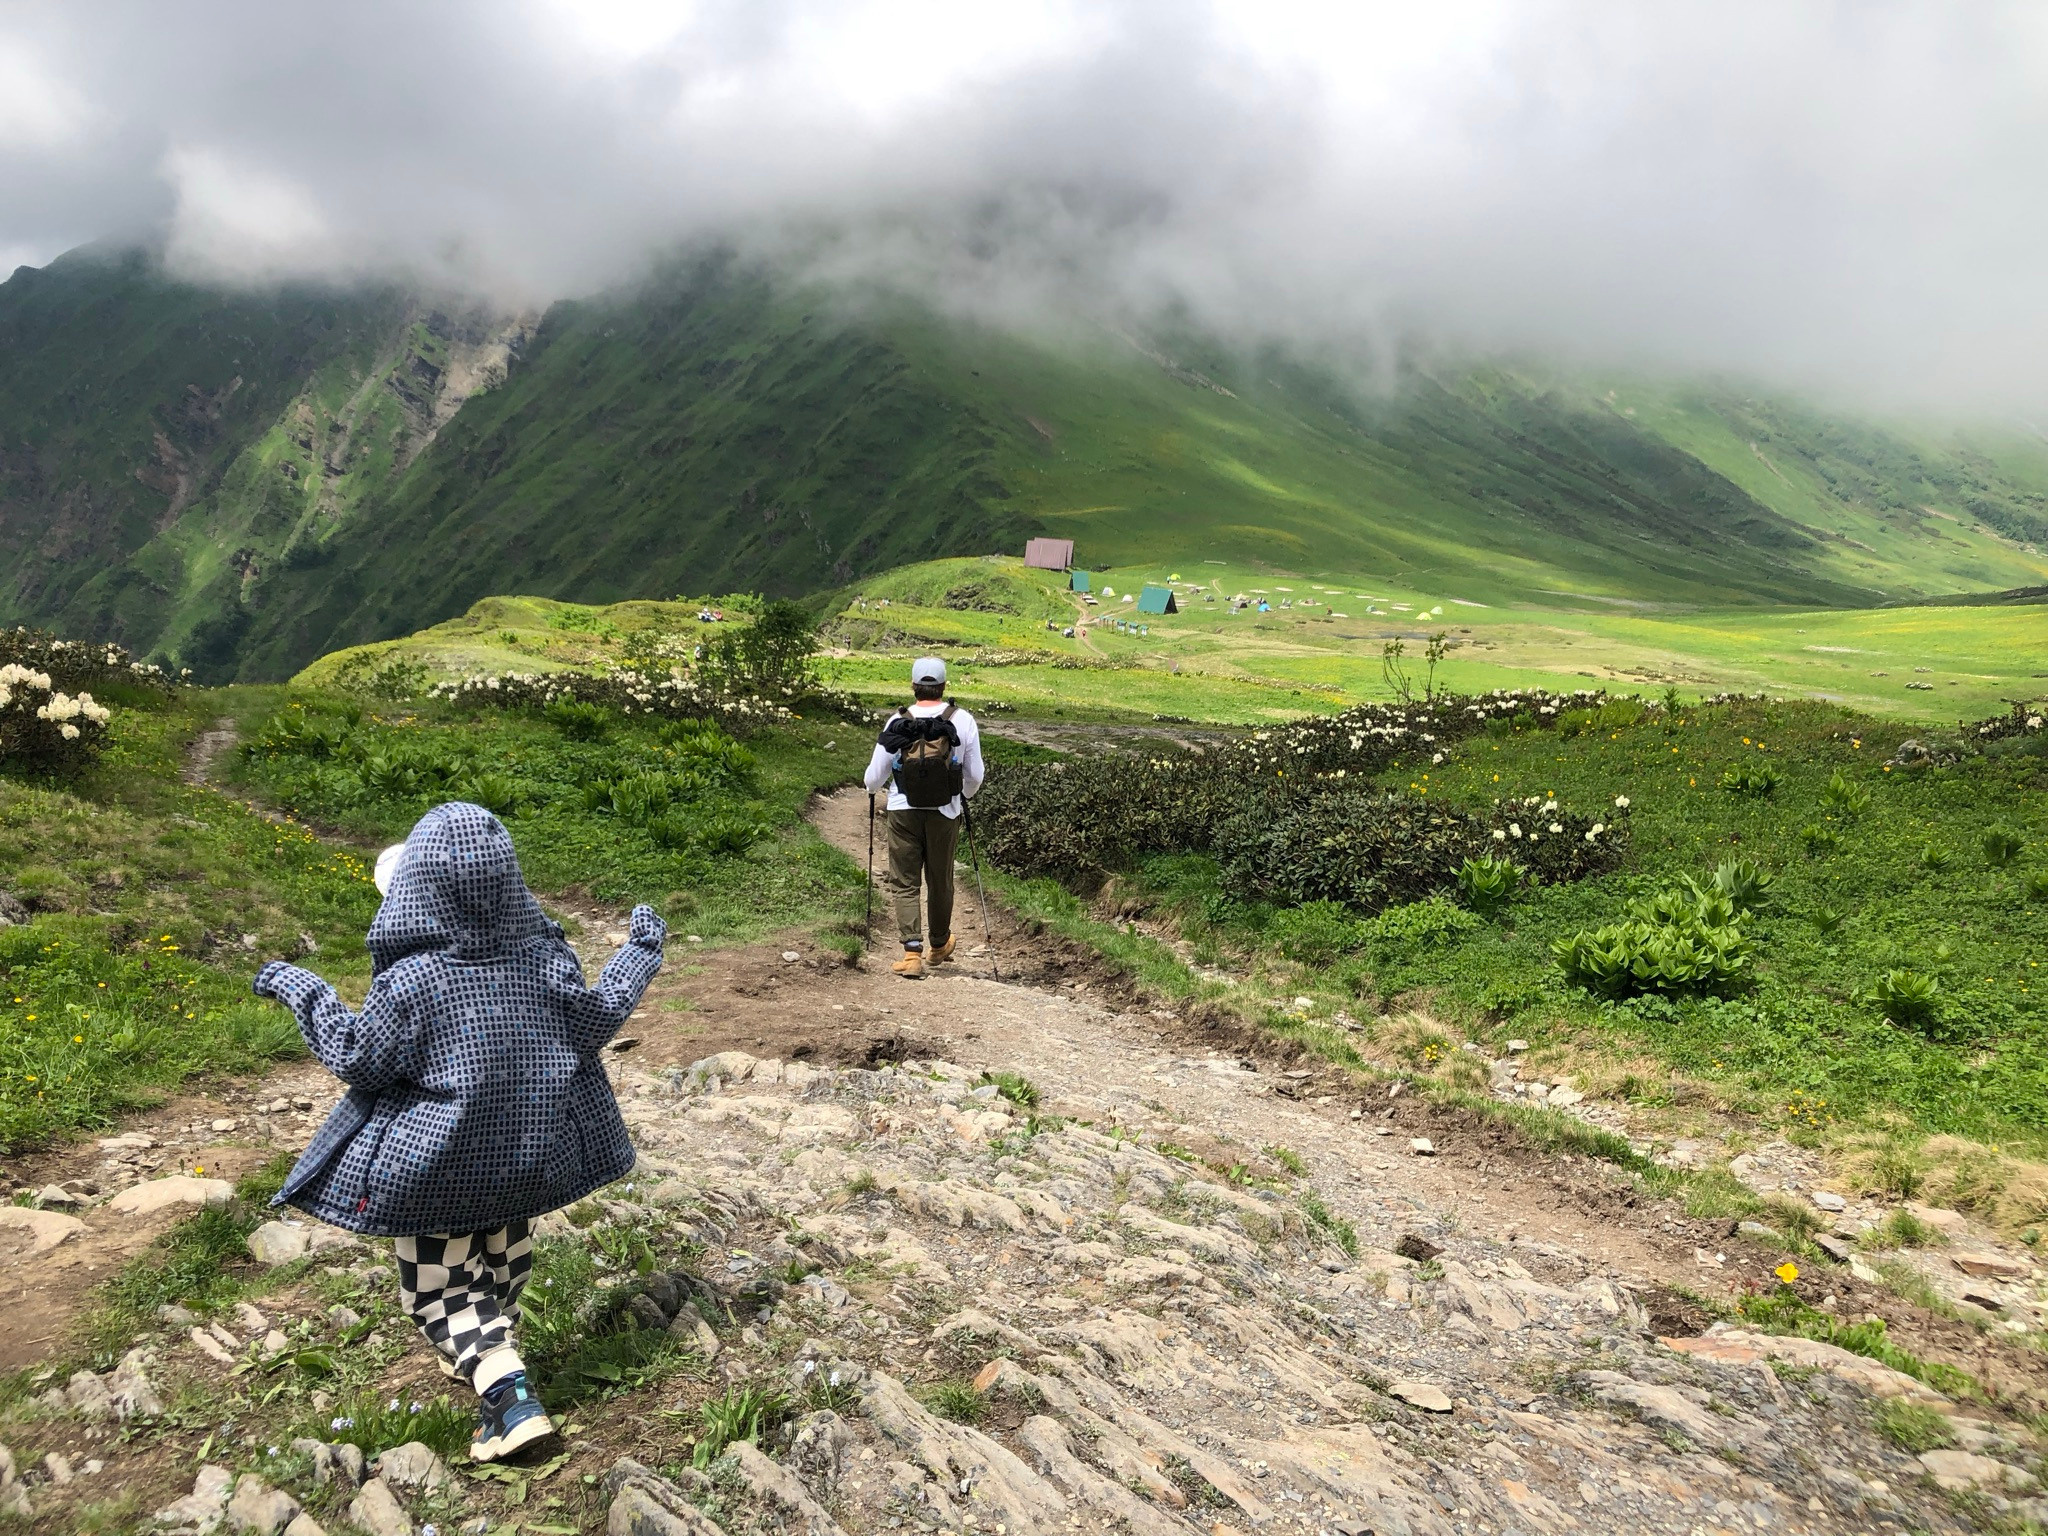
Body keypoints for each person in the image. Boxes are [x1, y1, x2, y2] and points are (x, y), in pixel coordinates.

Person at [252, 802, 666, 1461]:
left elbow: (360, 1058)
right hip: (530, 1158)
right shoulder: (545, 961)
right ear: (511, 885)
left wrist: (306, 990)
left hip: (438, 1167)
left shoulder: (413, 979)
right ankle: (489, 1340)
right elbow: (601, 1015)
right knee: (503, 1254)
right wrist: (640, 950)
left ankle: (507, 1399)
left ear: (413, 891)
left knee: (439, 1288)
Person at [863, 657, 985, 979]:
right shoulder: (962, 720)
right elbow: (975, 774)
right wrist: (964, 797)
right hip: (945, 812)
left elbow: (874, 776)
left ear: (914, 686)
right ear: (944, 687)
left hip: (903, 810)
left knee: (904, 881)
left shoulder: (898, 721)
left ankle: (911, 953)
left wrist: (873, 789)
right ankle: (940, 944)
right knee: (940, 879)